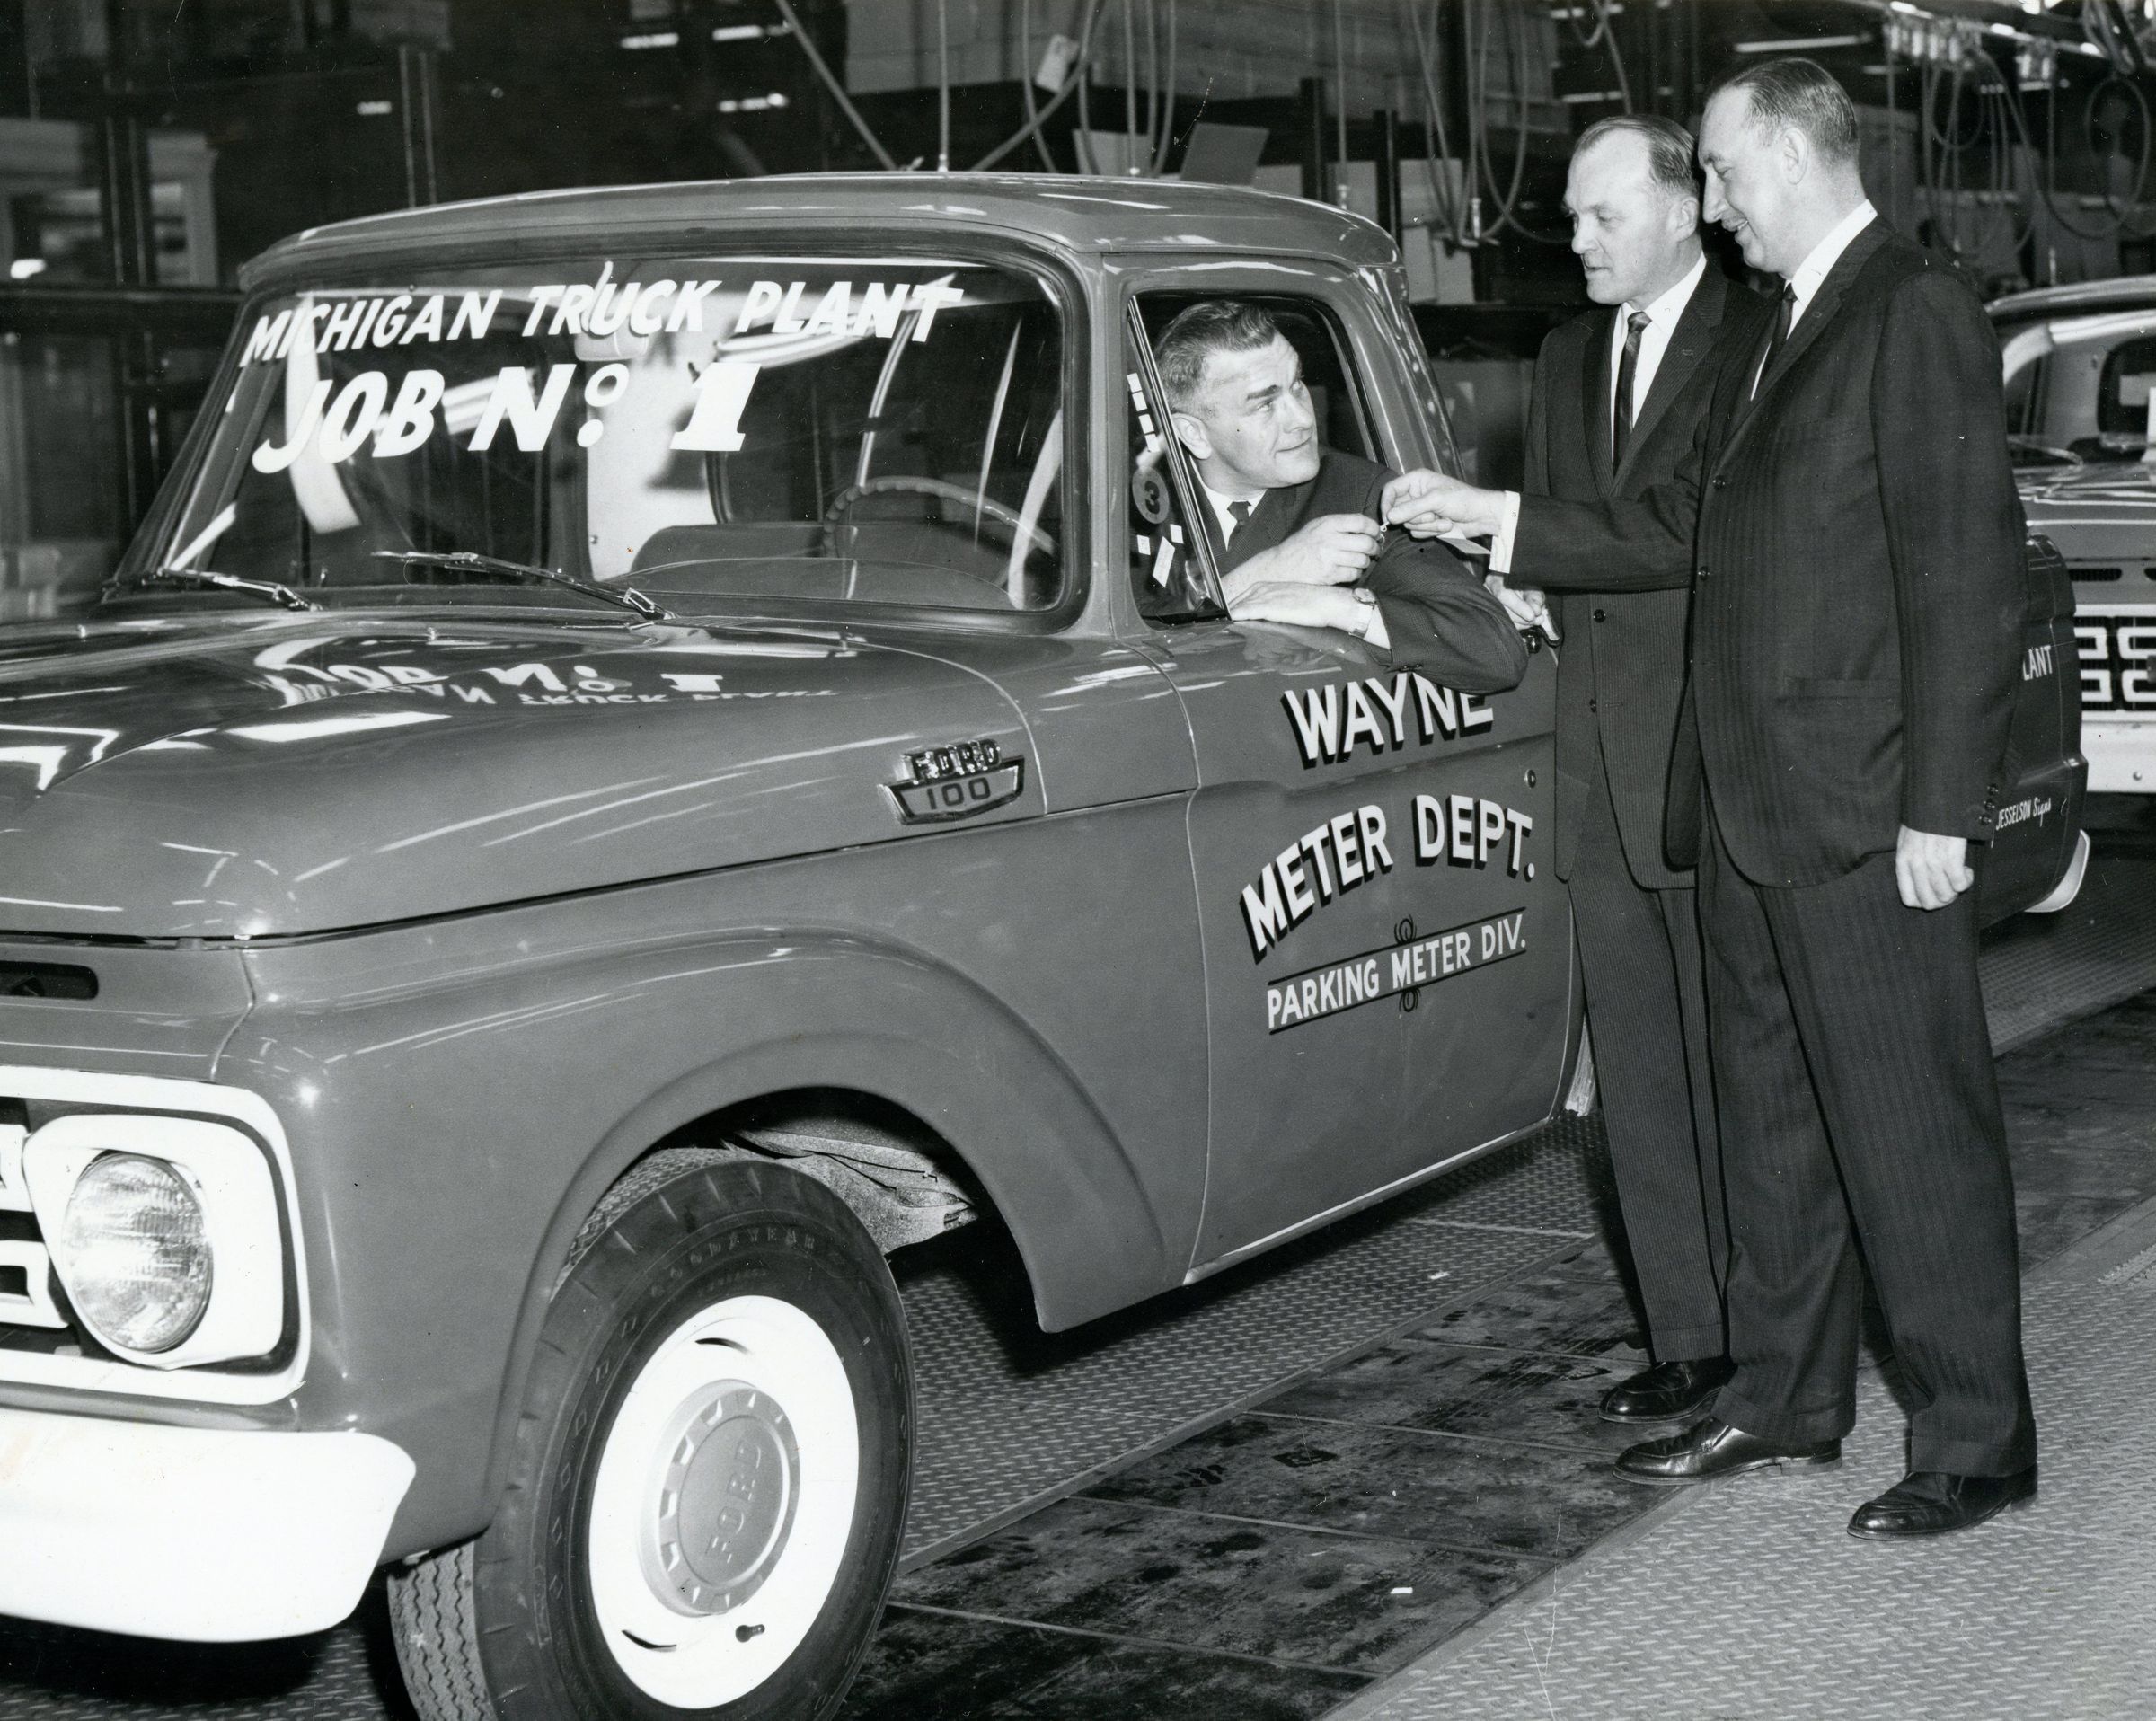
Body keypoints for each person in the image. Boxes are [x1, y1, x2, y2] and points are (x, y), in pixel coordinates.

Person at [1382, 58, 2037, 1540]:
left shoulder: (1909, 309)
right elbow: (1687, 522)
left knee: (1909, 1132)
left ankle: (1976, 1437)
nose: (1718, 204)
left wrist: (1945, 810)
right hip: (1742, 808)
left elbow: (1965, 576)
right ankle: (1788, 1398)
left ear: (1793, 159)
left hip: (1863, 814)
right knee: (1775, 1136)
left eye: (1727, 174)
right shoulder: (1782, 325)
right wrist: (1507, 522)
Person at [1510, 114, 1769, 1426]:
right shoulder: (1566, 355)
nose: (1578, 239)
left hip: (1710, 767)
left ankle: (1768, 1337)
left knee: (1741, 1071)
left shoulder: (1760, 337)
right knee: (1641, 1079)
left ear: (1679, 209)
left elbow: (1690, 528)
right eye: (1571, 215)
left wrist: (1512, 529)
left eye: (1603, 215)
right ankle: (1687, 1337)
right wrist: (1515, 579)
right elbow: (1567, 548)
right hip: (1600, 777)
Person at [1154, 300, 1526, 693]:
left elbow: (1495, 651)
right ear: (1193, 434)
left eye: (1297, 384)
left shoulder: (1358, 495)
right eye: (1265, 404)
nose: (1303, 419)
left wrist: (1340, 608)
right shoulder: (1137, 508)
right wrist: (1263, 575)